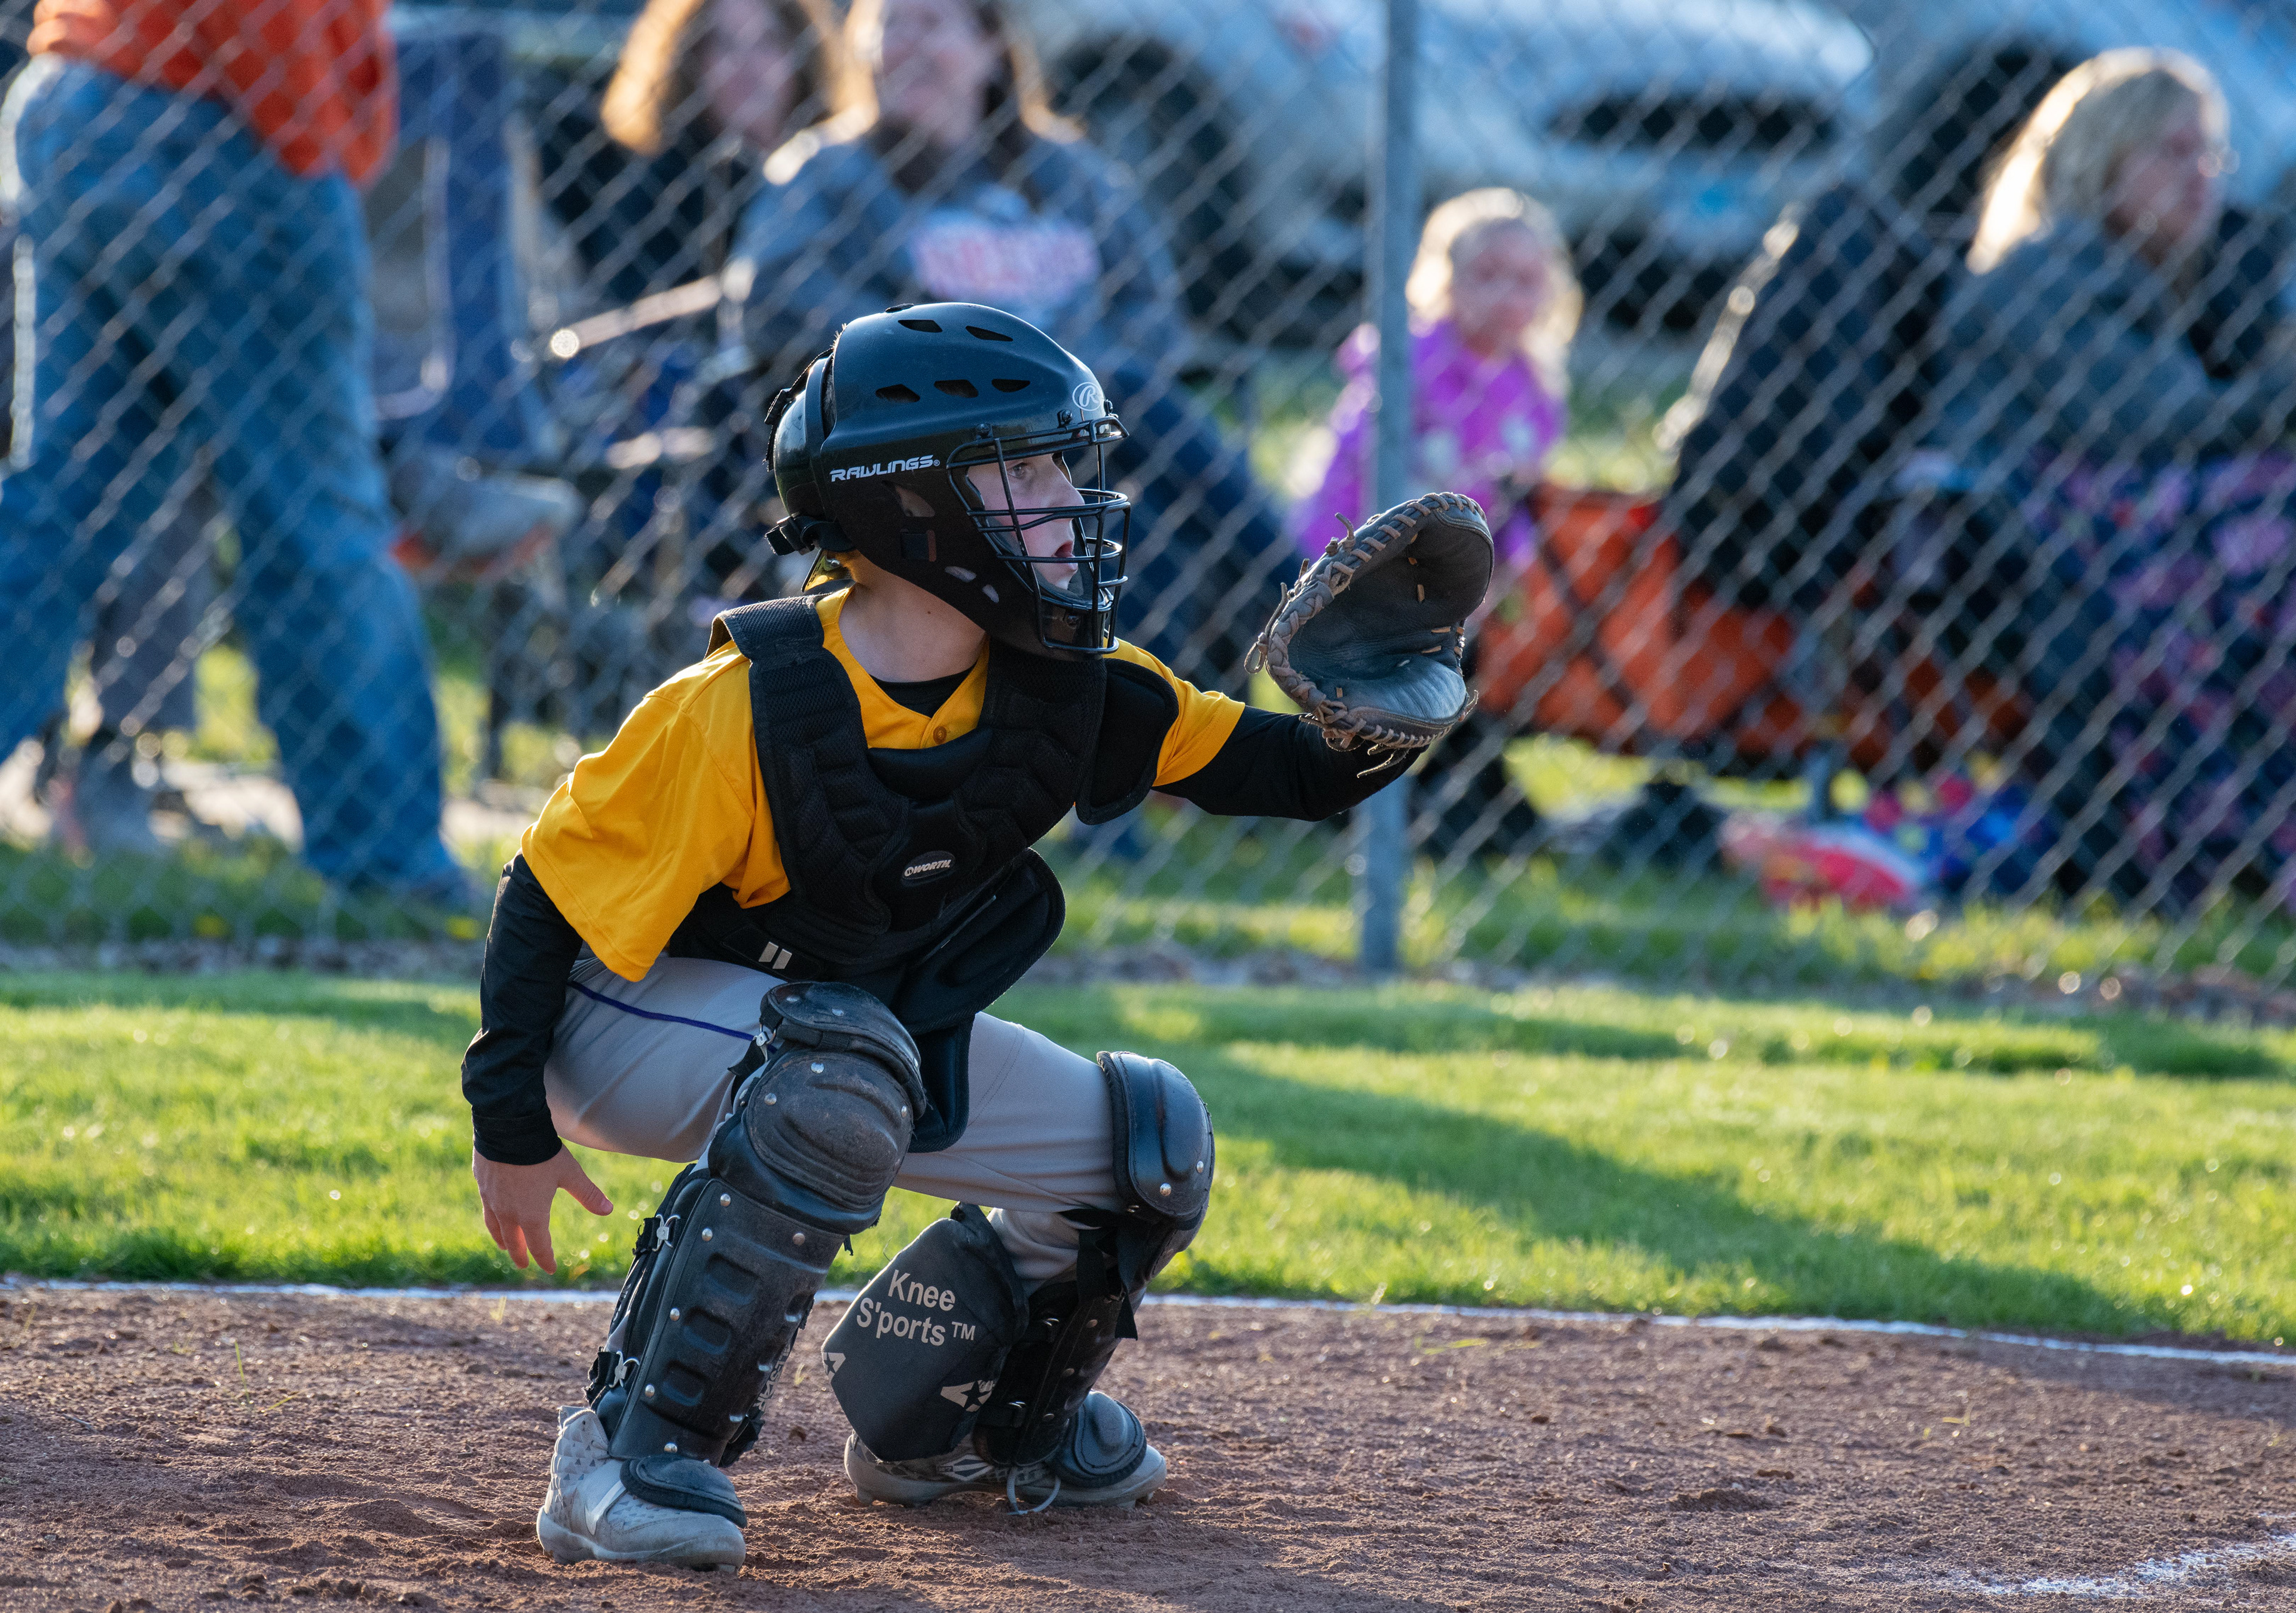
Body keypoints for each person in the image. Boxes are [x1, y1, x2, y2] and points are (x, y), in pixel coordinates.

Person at [463, 304, 1470, 1564]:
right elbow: (543, 897)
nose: (1068, 497)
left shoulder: (1069, 678)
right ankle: (628, 1456)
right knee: (836, 1077)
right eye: (1026, 469)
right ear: (912, 504)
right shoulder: (745, 701)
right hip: (619, 1019)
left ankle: (944, 1420)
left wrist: (1377, 715)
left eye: (1062, 465)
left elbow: (1282, 772)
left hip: (837, 1035)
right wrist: (511, 1123)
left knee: (1146, 1148)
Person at [0, 0, 466, 902]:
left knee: (57, 504)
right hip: (218, 123)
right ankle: (388, 865)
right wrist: (314, 148)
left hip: (83, 89)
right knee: (318, 518)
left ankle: (384, 858)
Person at [723, 0, 1291, 690]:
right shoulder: (829, 171)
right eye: (890, 26)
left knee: (1153, 524)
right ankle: (1304, 600)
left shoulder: (1068, 172)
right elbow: (776, 299)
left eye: (932, 24)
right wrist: (948, 360)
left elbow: (1151, 307)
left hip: (1085, 427)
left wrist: (1063, 379)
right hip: (933, 432)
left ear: (991, 46)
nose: (907, 46)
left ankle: (1128, 720)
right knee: (1136, 424)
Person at [1917, 49, 2296, 905]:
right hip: (2029, 544)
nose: (2200, 178)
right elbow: (2154, 425)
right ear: (2100, 160)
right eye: (2172, 152)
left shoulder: (2164, 285)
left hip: (2116, 531)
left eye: (2210, 154)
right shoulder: (2051, 274)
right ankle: (2232, 826)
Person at [1290, 188, 1577, 857]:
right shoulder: (1408, 362)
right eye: (1486, 276)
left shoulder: (1534, 389)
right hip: (1361, 566)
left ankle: (1450, 793)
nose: (1506, 295)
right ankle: (1383, 793)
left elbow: (1524, 508)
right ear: (1444, 281)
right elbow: (1349, 478)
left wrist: (1502, 579)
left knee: (1486, 657)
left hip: (1465, 584)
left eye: (1526, 280)